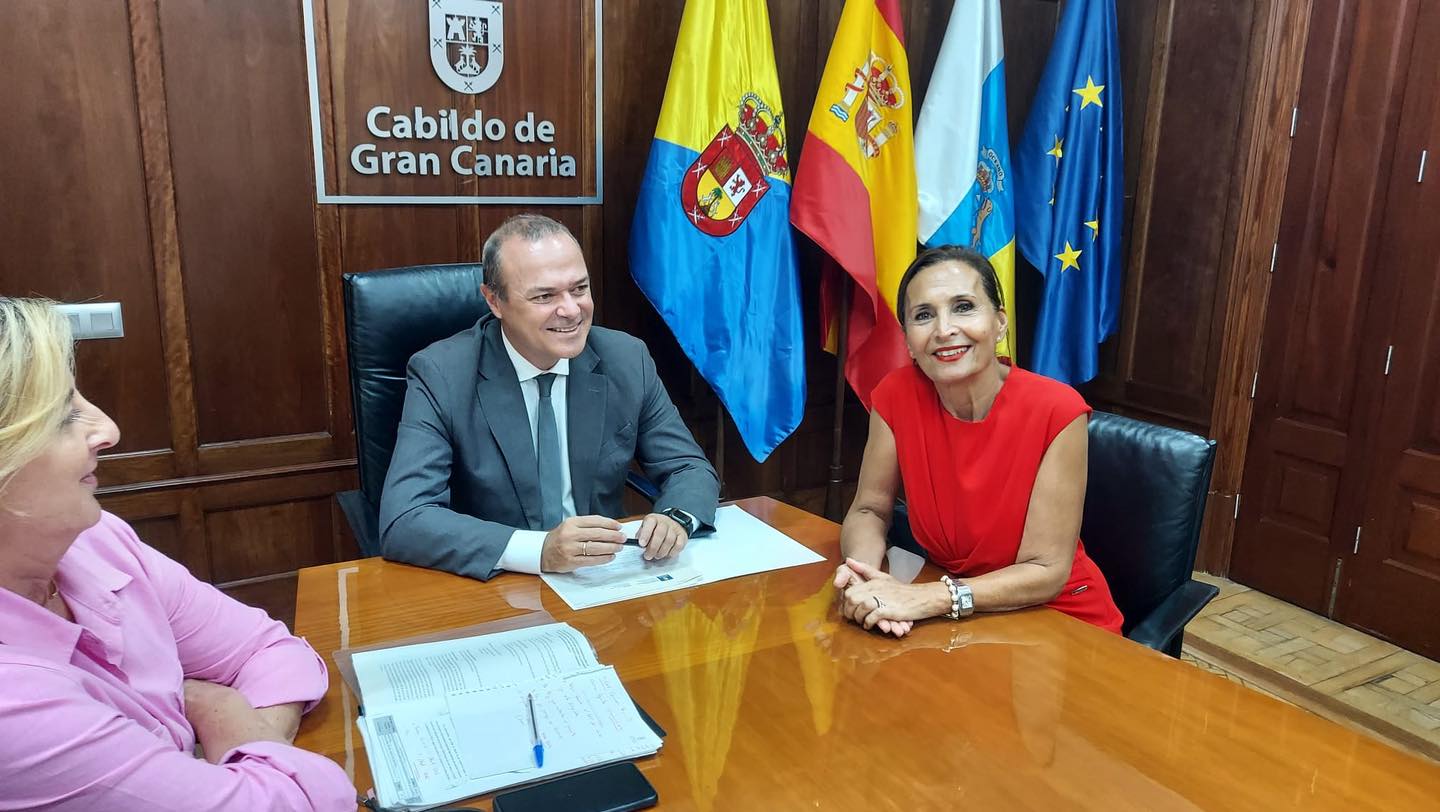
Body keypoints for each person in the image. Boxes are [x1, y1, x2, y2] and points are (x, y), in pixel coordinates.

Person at [0, 298, 354, 811]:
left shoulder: (96, 543)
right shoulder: (15, 706)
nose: (109, 430)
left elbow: (271, 650)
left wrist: (231, 737)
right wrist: (223, 712)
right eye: (62, 415)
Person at [380, 214, 720, 580]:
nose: (571, 310)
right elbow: (406, 518)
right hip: (499, 584)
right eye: (545, 296)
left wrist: (675, 518)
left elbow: (689, 468)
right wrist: (540, 551)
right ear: (494, 301)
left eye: (579, 289)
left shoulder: (625, 359)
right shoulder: (443, 374)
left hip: (604, 577)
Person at [831, 246, 1124, 637]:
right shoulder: (895, 395)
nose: (944, 330)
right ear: (908, 340)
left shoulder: (1057, 409)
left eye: (964, 307)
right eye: (923, 315)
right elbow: (869, 509)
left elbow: (1046, 571)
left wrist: (930, 598)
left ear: (1000, 323)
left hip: (1058, 619)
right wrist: (864, 577)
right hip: (958, 620)